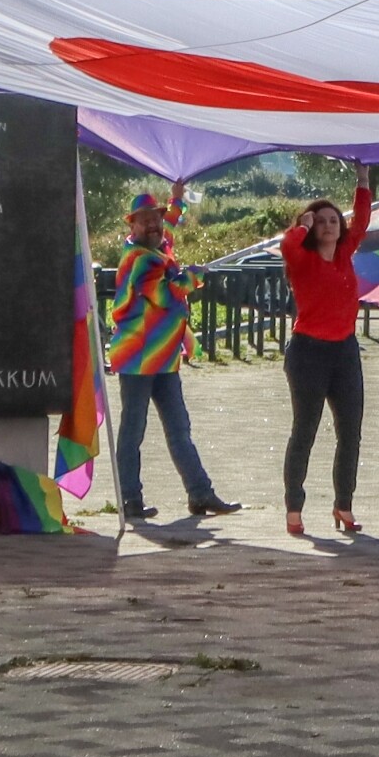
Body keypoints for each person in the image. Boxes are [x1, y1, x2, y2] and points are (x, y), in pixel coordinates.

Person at [105, 187, 239, 523]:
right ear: (132, 226)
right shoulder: (139, 260)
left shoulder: (159, 247)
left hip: (163, 358)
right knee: (133, 431)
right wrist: (191, 278)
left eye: (157, 219)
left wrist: (177, 199)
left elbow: (169, 230)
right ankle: (130, 501)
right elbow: (163, 294)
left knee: (179, 428)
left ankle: (200, 493)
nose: (153, 224)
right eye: (145, 220)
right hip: (138, 359)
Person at [277, 176, 374, 538]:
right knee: (305, 430)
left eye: (334, 220)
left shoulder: (347, 252)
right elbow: (287, 244)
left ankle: (343, 504)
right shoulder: (301, 258)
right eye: (321, 221)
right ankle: (294, 508)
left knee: (351, 432)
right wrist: (301, 225)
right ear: (311, 227)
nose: (329, 225)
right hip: (308, 353)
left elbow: (362, 220)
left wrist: (362, 179)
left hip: (345, 351)